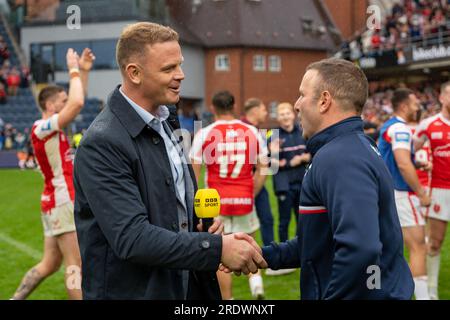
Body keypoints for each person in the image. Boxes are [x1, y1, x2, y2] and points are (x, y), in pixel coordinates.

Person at [73, 22, 266, 300]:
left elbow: (171, 203)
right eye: (168, 69)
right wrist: (215, 248)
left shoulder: (167, 119)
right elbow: (132, 238)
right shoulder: (103, 142)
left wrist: (201, 224)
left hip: (183, 285)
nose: (181, 75)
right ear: (134, 73)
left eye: (180, 65)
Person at [225, 58, 414, 299]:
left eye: (302, 95)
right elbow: (320, 243)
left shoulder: (340, 157)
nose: (296, 105)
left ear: (324, 101)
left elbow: (363, 249)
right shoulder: (350, 146)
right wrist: (264, 255)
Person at [11, 47, 95, 300]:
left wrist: (84, 72)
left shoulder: (48, 127)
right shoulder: (41, 126)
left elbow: (77, 101)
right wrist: (73, 69)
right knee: (74, 264)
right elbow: (77, 102)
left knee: (50, 264)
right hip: (61, 200)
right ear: (49, 105)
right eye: (61, 99)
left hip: (54, 200)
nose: (66, 101)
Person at [190, 91, 267, 300]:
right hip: (243, 198)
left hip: (216, 203)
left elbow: (193, 173)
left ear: (213, 109)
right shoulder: (251, 131)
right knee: (249, 242)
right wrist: (253, 191)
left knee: (219, 253)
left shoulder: (204, 133)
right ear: (234, 106)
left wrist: (197, 203)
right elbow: (264, 167)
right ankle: (256, 285)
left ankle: (228, 300)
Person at [378, 88, 431, 300]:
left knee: (390, 248)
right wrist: (421, 193)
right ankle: (423, 297)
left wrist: (418, 162)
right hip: (401, 193)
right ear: (403, 106)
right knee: (418, 246)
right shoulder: (400, 128)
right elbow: (401, 162)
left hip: (389, 193)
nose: (418, 106)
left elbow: (396, 158)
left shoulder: (391, 127)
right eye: (414, 103)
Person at [414, 81, 450, 300]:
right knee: (434, 242)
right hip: (439, 189)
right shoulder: (428, 124)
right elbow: (411, 153)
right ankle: (432, 290)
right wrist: (420, 162)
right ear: (442, 98)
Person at [269, 102, 310, 249]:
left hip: (303, 183)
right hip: (284, 186)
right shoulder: (273, 136)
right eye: (282, 114)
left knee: (303, 219)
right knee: (284, 221)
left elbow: (312, 153)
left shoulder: (303, 131)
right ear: (277, 118)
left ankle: (303, 248)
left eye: (287, 113)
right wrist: (290, 162)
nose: (285, 116)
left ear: (293, 115)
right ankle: (284, 251)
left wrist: (306, 157)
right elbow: (271, 164)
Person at [241, 99, 275, 248]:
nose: (266, 113)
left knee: (266, 218)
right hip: (246, 184)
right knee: (244, 223)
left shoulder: (257, 130)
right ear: (254, 111)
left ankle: (269, 256)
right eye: (263, 109)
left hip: (258, 183)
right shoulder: (242, 130)